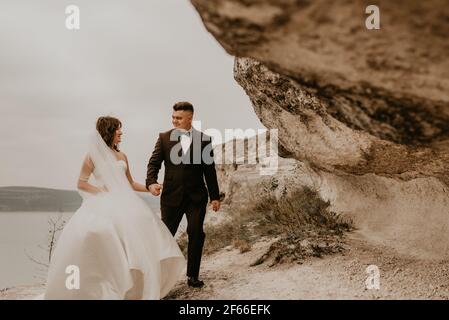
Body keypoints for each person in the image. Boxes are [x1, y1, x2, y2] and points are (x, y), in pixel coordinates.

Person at [43, 116, 185, 299]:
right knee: (105, 236)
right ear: (109, 131)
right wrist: (102, 192)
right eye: (118, 129)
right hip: (104, 203)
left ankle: (136, 287)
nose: (121, 132)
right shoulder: (92, 156)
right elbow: (81, 183)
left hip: (127, 203)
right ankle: (109, 284)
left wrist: (150, 188)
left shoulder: (121, 156)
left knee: (143, 230)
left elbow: (131, 183)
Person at [146, 102, 220, 288]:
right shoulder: (164, 138)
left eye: (178, 118)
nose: (174, 121)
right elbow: (154, 163)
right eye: (173, 117)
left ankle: (192, 276)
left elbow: (209, 171)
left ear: (190, 118)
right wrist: (151, 182)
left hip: (196, 197)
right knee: (165, 236)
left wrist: (215, 196)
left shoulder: (204, 140)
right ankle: (156, 277)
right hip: (171, 196)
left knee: (196, 233)